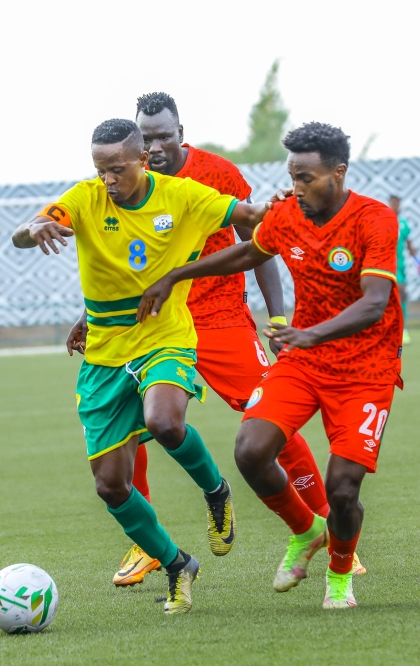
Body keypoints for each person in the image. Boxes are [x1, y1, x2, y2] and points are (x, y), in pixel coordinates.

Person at [65, 91, 336, 587]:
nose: (157, 145)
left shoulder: (212, 176)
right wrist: (90, 315)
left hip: (218, 317)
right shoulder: (114, 188)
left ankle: (324, 525)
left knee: (271, 417)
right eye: (147, 138)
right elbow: (116, 263)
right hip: (146, 323)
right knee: (133, 429)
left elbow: (260, 243)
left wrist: (277, 318)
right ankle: (147, 546)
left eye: (164, 136)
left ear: (180, 134)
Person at [137, 122, 403, 609]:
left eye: (308, 178)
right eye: (293, 176)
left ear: (338, 173)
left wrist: (309, 332)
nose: (297, 187)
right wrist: (177, 274)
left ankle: (340, 576)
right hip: (304, 362)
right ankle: (305, 530)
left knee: (343, 488)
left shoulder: (375, 219)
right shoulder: (287, 212)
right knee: (251, 449)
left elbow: (376, 302)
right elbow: (248, 251)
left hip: (366, 369)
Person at [12, 118, 271, 614]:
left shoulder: (183, 196)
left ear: (142, 160)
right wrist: (35, 227)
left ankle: (215, 490)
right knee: (110, 485)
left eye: (115, 169)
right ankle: (176, 564)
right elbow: (26, 232)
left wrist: (273, 210)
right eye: (100, 169)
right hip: (105, 356)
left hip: (165, 337)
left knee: (164, 421)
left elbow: (248, 216)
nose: (107, 179)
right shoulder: (86, 198)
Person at [388, 195, 416, 344]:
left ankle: (402, 329)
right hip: (385, 264)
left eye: (397, 203)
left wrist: (419, 262)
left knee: (401, 295)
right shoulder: (383, 220)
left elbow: (410, 246)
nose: (395, 206)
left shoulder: (404, 223)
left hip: (400, 266)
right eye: (393, 203)